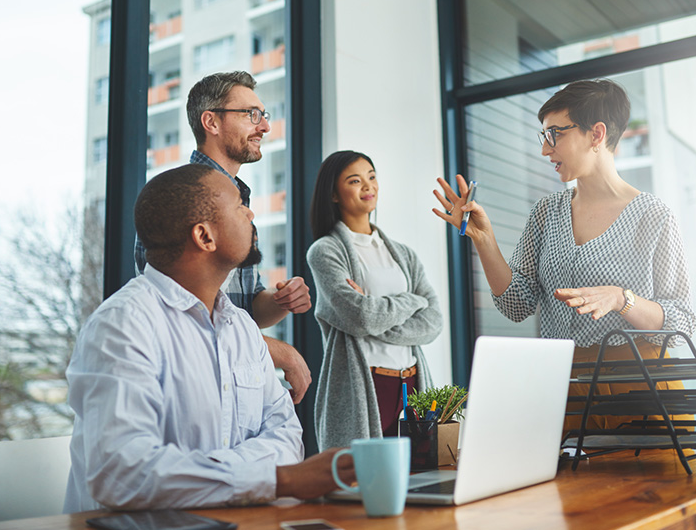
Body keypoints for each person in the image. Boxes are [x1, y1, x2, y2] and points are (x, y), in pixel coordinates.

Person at [64, 164, 354, 512]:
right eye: (239, 206)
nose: (250, 214)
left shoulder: (242, 327)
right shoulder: (122, 325)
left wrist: (215, 476)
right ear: (205, 237)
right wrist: (279, 480)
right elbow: (122, 474)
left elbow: (287, 436)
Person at [433, 79, 696, 432]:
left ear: (596, 134)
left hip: (639, 388)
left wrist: (622, 299)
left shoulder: (654, 215)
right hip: (562, 387)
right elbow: (516, 305)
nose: (545, 149)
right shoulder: (546, 213)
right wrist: (484, 239)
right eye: (543, 136)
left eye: (554, 134)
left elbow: (682, 322)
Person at [134, 71, 312, 403]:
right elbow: (182, 319)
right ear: (211, 122)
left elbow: (247, 307)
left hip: (238, 382)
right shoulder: (177, 198)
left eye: (264, 115)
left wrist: (280, 301)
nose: (265, 126)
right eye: (251, 114)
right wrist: (279, 352)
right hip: (194, 389)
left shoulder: (240, 202)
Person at [306, 151, 443, 450]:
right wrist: (413, 301)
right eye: (355, 181)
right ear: (333, 194)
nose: (368, 186)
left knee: (421, 473)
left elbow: (433, 323)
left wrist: (374, 310)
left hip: (413, 383)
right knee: (363, 475)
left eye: (371, 176)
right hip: (366, 385)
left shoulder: (404, 254)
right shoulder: (325, 252)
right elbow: (362, 318)